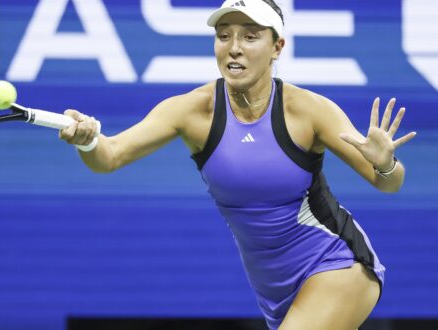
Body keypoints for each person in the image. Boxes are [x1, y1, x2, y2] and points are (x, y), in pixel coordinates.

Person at [58, 0, 417, 329]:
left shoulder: (308, 111)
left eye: (250, 36)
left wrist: (385, 164)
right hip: (274, 288)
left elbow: (389, 182)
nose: (234, 47)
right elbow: (110, 156)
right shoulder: (193, 110)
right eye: (224, 35)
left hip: (337, 264)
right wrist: (88, 139)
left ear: (277, 47)